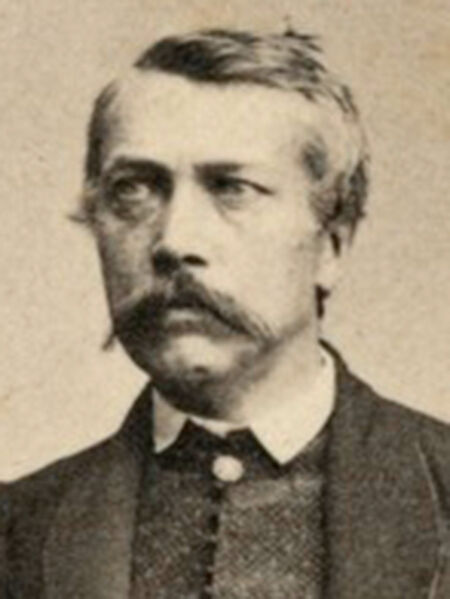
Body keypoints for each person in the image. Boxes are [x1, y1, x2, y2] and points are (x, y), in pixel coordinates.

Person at [1, 28, 449, 599]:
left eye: (232, 188)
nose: (174, 240)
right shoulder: (17, 530)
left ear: (332, 244)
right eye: (134, 189)